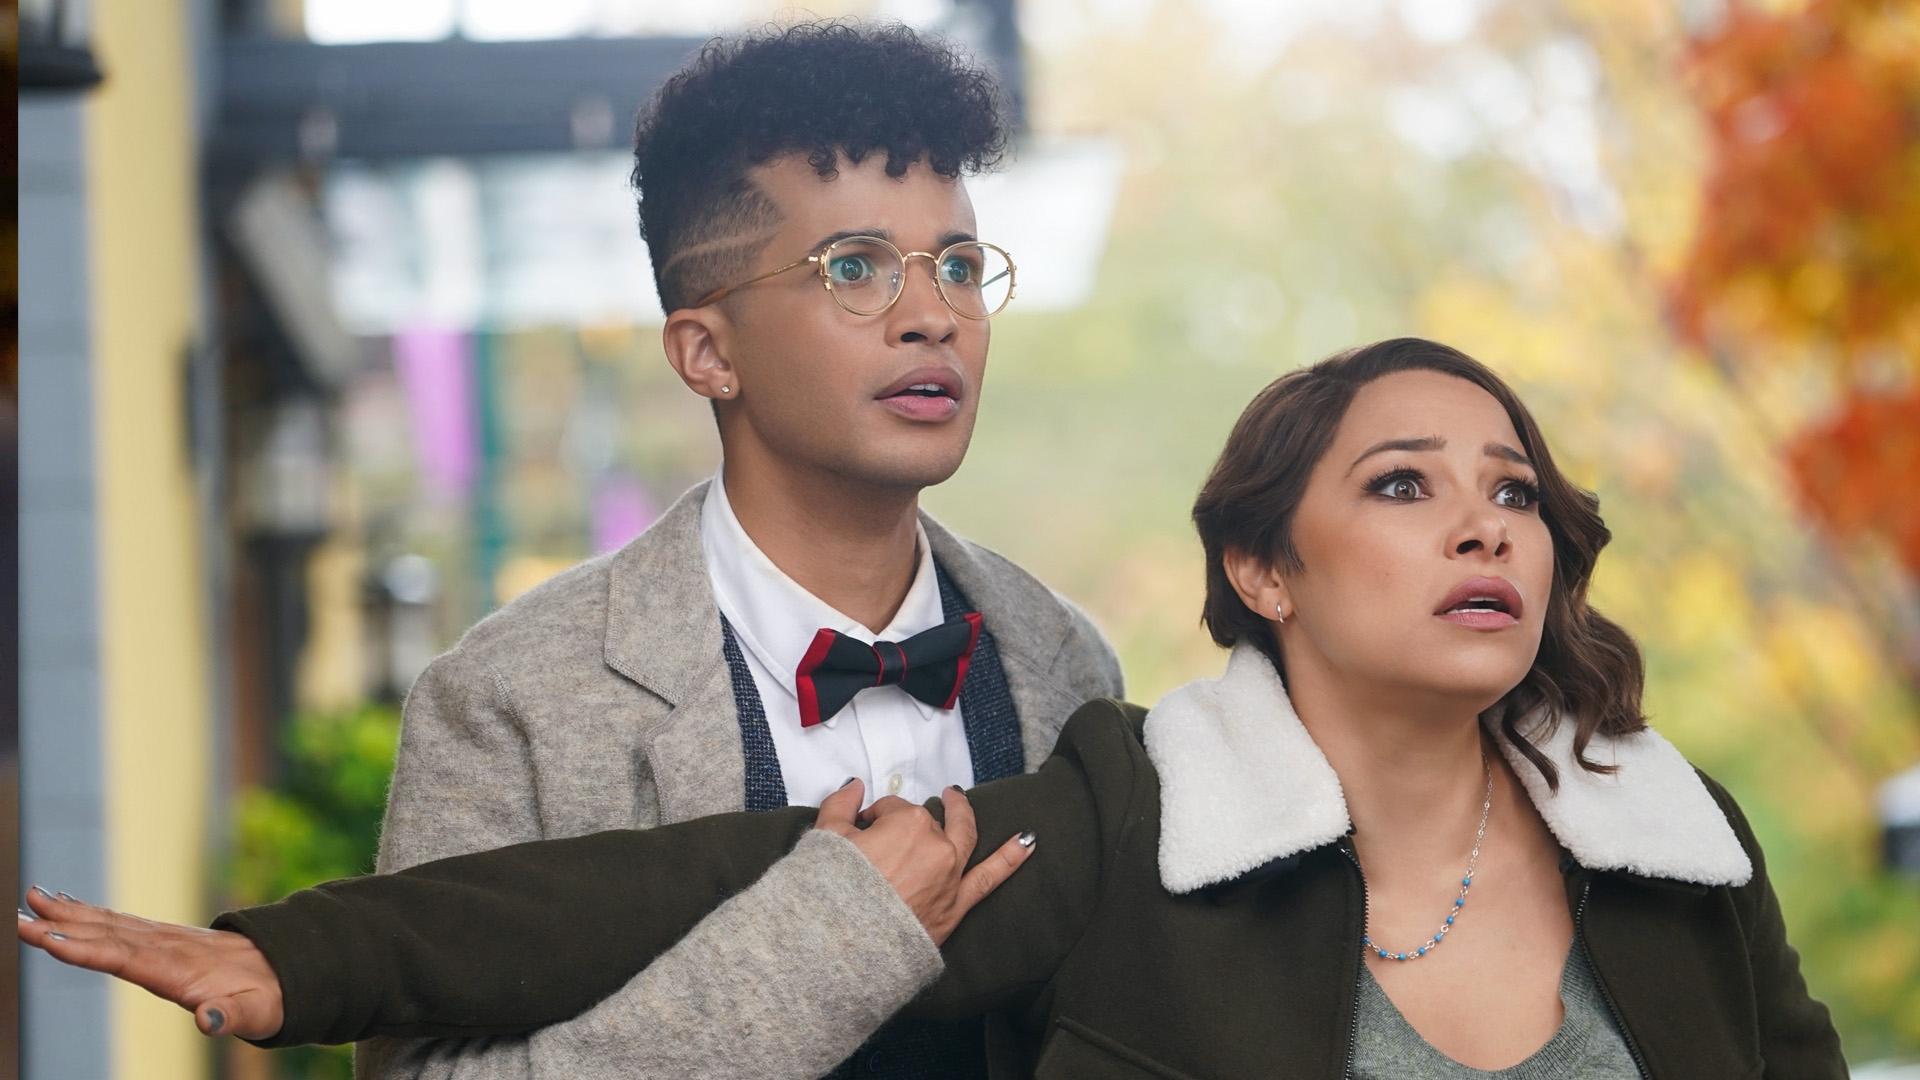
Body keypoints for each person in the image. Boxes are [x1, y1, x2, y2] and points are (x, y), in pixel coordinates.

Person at [20, 339, 1847, 1078]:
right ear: (1264, 569)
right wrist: (304, 960)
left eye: (1514, 490)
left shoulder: (1669, 836)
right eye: (1402, 484)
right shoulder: (1141, 811)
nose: (1483, 523)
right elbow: (716, 881)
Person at [205, 20, 1119, 1080]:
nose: (934, 316)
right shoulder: (511, 701)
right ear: (706, 352)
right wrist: (832, 944)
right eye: (855, 267)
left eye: (957, 265)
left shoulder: (1065, 661)